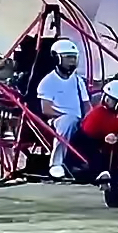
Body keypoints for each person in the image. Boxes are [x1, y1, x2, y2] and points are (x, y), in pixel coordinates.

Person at [35, 38, 91, 178]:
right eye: (68, 58)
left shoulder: (78, 80)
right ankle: (56, 163)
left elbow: (86, 104)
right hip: (57, 120)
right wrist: (69, 116)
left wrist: (91, 118)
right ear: (57, 59)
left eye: (74, 58)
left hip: (78, 119)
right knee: (68, 121)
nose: (72, 62)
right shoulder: (48, 81)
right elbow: (46, 110)